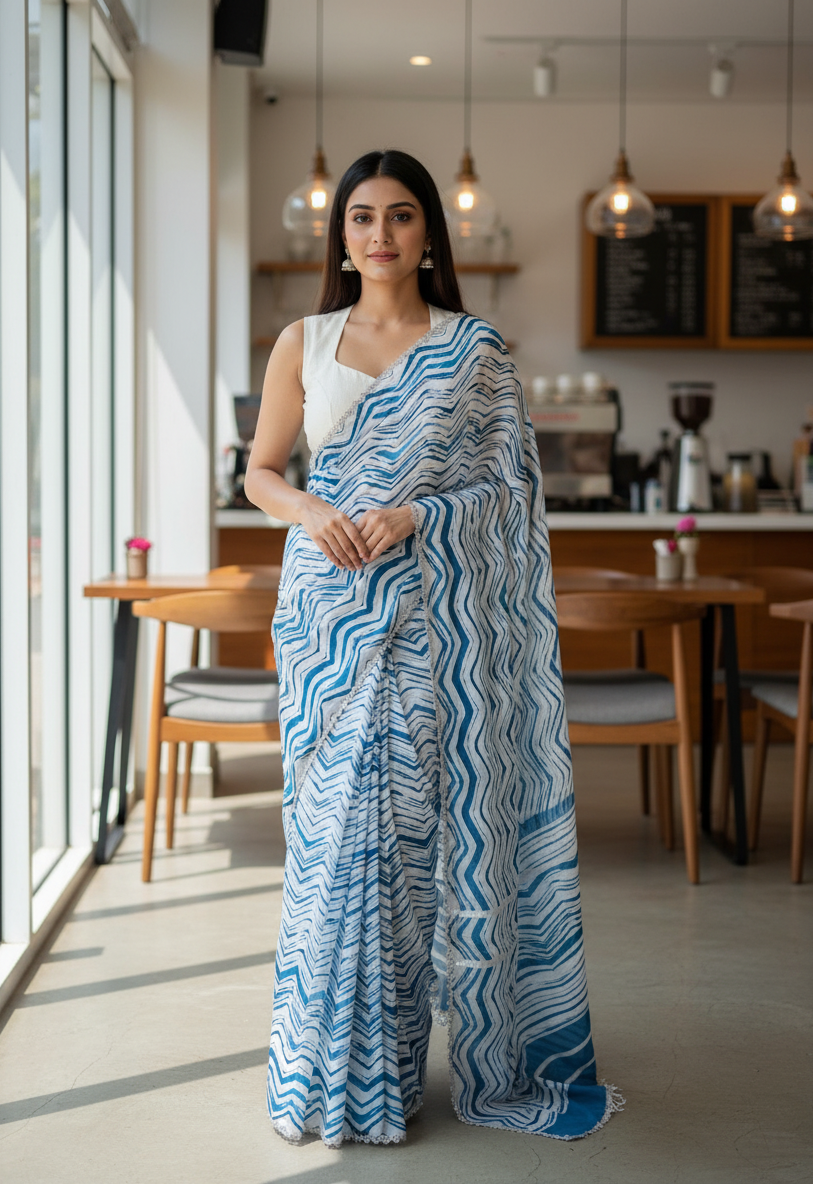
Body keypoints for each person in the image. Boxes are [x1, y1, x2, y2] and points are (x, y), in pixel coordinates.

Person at [246, 149, 622, 1147]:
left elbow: (509, 494)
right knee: (328, 847)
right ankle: (318, 1073)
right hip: (329, 618)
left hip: (429, 625)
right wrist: (317, 511)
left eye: (401, 216)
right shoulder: (305, 339)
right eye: (361, 215)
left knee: (407, 845)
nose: (379, 233)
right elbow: (262, 472)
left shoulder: (474, 350)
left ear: (428, 235)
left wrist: (417, 513)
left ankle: (386, 1076)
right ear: (341, 233)